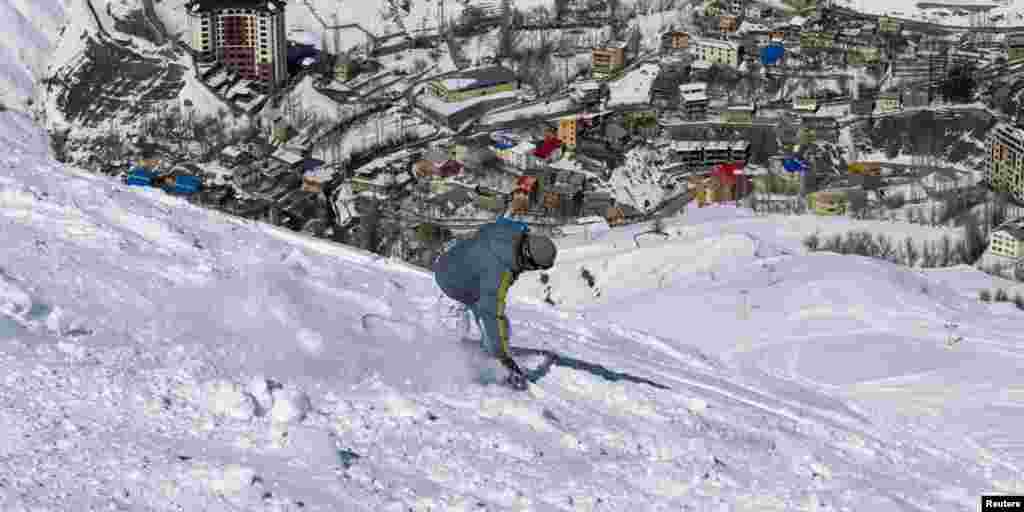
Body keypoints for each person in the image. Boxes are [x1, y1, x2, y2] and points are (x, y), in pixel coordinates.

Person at [433, 217, 558, 389]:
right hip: (450, 281)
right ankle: (453, 376)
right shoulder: (499, 272)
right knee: (453, 341)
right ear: (529, 261)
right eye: (536, 267)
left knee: (499, 329)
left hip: (461, 264)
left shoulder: (511, 232)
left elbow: (498, 222)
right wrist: (504, 359)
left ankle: (489, 356)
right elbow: (491, 315)